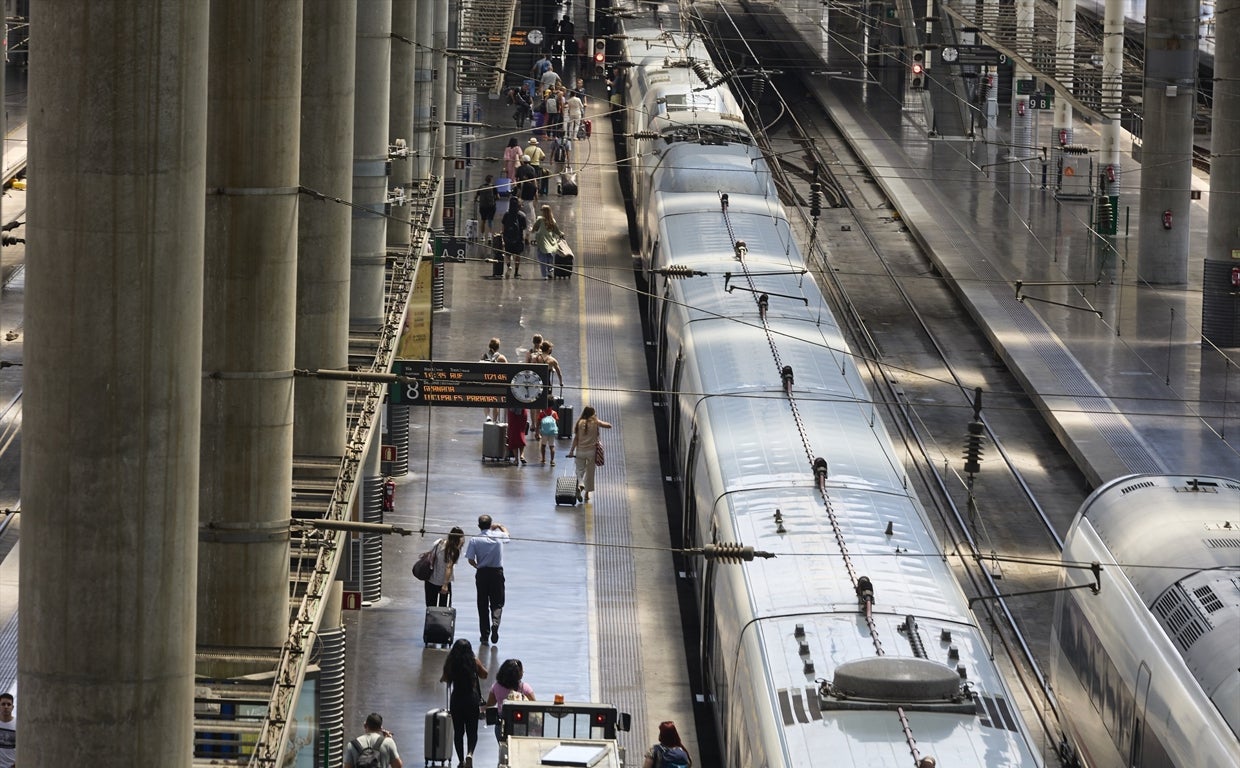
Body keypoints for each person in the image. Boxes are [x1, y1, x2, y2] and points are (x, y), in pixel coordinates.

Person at [440, 639, 489, 768]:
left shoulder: (451, 662)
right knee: (472, 731)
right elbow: (485, 674)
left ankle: (461, 761)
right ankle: (470, 754)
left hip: (457, 699)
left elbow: (444, 678)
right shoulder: (473, 661)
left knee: (458, 732)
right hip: (471, 699)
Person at [466, 515, 510, 644]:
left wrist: (478, 566)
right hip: (497, 572)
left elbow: (470, 559)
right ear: (491, 524)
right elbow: (507, 535)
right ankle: (495, 622)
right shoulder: (498, 536)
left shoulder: (474, 539)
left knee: (482, 604)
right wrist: (500, 526)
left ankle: (484, 635)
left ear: (479, 526)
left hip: (482, 573)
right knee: (497, 602)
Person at [566, 406, 612, 503]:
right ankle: (587, 494)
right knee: (590, 473)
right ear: (592, 414)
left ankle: (581, 484)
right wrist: (597, 419)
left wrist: (571, 451)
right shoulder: (595, 422)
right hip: (592, 452)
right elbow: (609, 425)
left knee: (579, 470)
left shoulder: (580, 423)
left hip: (580, 451)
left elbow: (576, 439)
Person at [487, 658, 536, 741]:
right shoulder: (524, 688)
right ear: (517, 674)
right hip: (522, 725)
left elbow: (490, 703)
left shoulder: (496, 686)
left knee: (504, 749)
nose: (523, 672)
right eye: (522, 670)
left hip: (502, 724)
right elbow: (535, 706)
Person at [425, 526, 465, 606]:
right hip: (442, 582)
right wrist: (445, 584)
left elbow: (431, 555)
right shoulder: (454, 550)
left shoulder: (439, 542)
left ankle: (431, 619)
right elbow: (448, 567)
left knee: (430, 607)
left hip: (430, 579)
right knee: (444, 609)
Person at [531, 205, 563, 280]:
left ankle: (544, 275)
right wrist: (561, 234)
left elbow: (534, 228)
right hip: (550, 242)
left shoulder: (540, 219)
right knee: (550, 257)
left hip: (542, 242)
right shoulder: (552, 220)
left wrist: (532, 230)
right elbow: (557, 231)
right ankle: (550, 270)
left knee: (542, 258)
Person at [501, 198, 528, 278]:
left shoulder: (506, 214)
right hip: (518, 238)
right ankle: (516, 272)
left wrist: (503, 236)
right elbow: (524, 227)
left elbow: (503, 226)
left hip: (507, 237)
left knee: (508, 254)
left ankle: (509, 266)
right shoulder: (522, 215)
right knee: (517, 255)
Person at [481, 338, 507, 421]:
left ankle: (488, 416)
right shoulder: (501, 358)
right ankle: (495, 420)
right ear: (498, 347)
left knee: (486, 401)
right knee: (496, 403)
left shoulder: (484, 356)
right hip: (497, 383)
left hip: (486, 383)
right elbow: (508, 369)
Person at [515, 155, 540, 229]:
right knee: (531, 217)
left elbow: (516, 179)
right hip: (530, 197)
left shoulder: (519, 168)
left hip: (522, 193)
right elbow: (535, 180)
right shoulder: (532, 168)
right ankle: (529, 232)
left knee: (521, 214)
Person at [0, 693, 13, 768]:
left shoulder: (19, 725)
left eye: (9, 704)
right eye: (3, 704)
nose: (6, 707)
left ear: (12, 707)